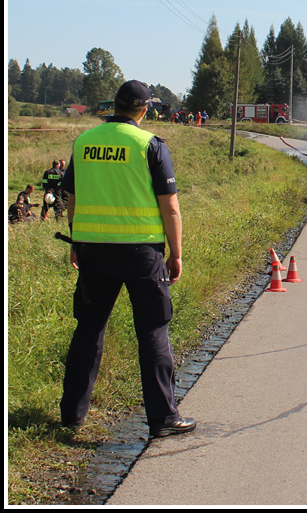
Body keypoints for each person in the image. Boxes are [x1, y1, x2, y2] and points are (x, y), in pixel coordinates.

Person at [59, 80, 195, 439]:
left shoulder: (84, 142)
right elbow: (171, 207)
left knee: (88, 328)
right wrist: (176, 253)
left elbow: (72, 196)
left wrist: (76, 239)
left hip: (92, 249)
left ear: (114, 105)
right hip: (142, 252)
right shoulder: (150, 145)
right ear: (145, 109)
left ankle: (72, 414)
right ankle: (163, 418)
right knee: (152, 329)